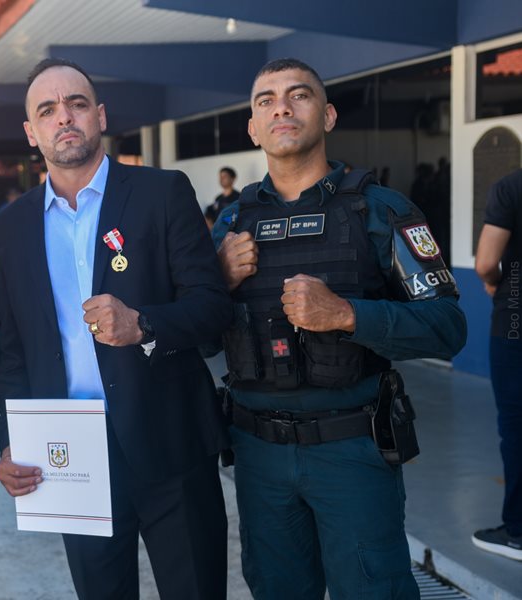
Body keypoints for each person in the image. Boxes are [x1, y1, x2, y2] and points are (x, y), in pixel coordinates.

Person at [213, 58, 467, 599]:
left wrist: (348, 315)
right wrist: (216, 283)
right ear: (253, 128)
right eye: (266, 101)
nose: (282, 108)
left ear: (327, 116)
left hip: (353, 451)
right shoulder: (229, 225)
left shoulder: (379, 211)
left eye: (299, 95)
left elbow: (447, 326)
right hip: (258, 456)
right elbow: (202, 337)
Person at [0, 58, 232, 599]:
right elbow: (14, 350)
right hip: (70, 454)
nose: (63, 117)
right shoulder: (9, 228)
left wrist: (143, 324)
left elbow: (214, 307)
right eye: (47, 110)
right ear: (31, 132)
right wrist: (11, 442)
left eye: (76, 104)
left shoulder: (161, 193)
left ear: (99, 116)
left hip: (170, 439)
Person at [472, 168, 522, 561]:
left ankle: (518, 531)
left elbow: (487, 262)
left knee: (517, 425)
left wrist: (494, 281)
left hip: (515, 322)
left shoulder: (511, 187)